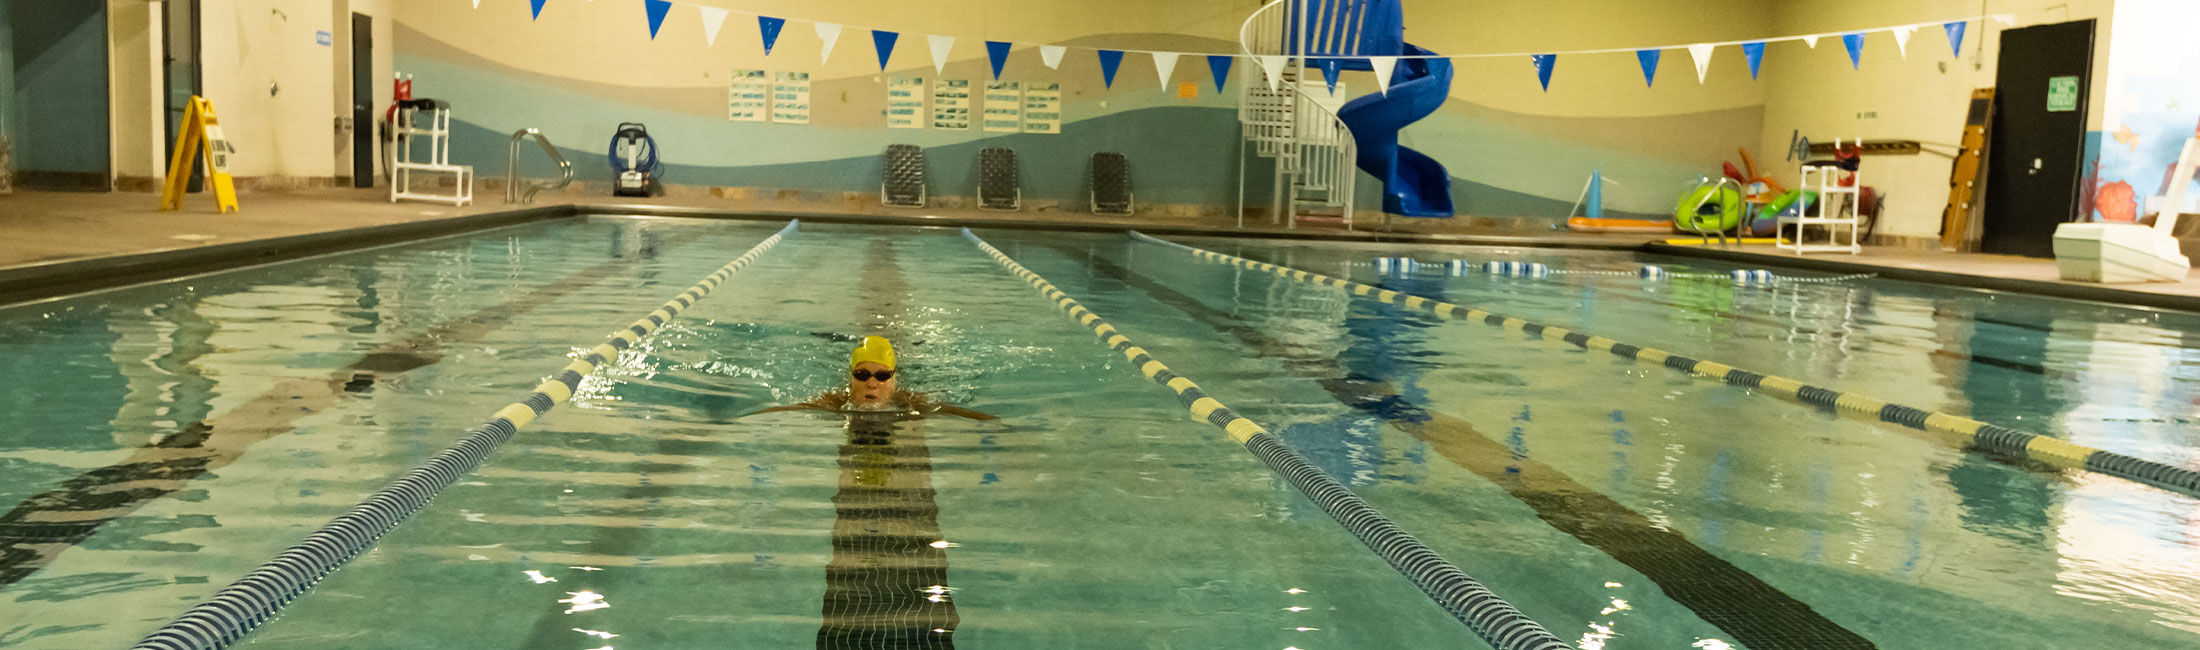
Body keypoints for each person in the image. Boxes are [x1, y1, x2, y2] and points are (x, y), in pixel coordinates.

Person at [751, 336, 996, 421]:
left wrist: (995, 422)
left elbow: (951, 410)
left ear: (893, 382)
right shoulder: (835, 401)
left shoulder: (910, 402)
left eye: (882, 376)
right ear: (850, 381)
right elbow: (793, 409)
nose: (871, 383)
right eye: (861, 375)